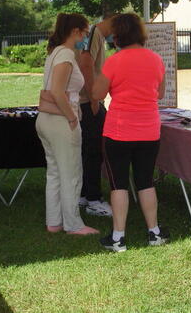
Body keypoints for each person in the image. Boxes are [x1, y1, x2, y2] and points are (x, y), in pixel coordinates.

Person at [92, 13, 169, 252]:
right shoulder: (156, 59)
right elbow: (160, 94)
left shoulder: (114, 61)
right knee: (145, 181)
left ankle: (118, 237)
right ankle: (154, 232)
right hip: (149, 130)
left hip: (119, 131)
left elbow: (97, 94)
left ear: (117, 35)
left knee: (119, 185)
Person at [35, 13, 99, 236]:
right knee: (71, 172)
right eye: (85, 32)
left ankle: (54, 221)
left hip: (47, 120)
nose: (86, 37)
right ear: (76, 32)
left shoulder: (56, 53)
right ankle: (73, 224)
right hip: (61, 121)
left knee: (54, 171)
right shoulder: (65, 55)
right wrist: (72, 118)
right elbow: (57, 91)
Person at [76, 15, 115, 217]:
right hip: (88, 102)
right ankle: (93, 199)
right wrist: (93, 97)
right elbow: (85, 63)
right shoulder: (96, 33)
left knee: (87, 151)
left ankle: (84, 195)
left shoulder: (95, 34)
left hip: (86, 102)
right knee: (94, 152)